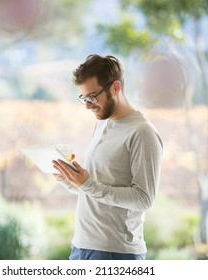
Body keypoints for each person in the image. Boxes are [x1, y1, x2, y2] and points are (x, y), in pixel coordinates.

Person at [52, 54, 163, 260]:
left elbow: (144, 199)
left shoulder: (142, 132)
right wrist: (68, 179)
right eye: (84, 98)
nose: (88, 105)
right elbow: (95, 189)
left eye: (92, 97)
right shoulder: (102, 123)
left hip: (115, 252)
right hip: (81, 247)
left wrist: (88, 185)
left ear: (115, 88)